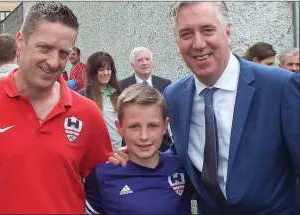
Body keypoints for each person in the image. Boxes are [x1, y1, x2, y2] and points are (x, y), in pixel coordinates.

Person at [109, 2, 299, 214]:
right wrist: (137, 154)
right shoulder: (174, 95)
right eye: (186, 34)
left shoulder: (280, 86)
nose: (198, 44)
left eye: (207, 30)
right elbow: (184, 151)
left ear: (227, 32)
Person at [0, 2, 113, 214]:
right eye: (44, 48)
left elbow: (105, 185)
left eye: (63, 53)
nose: (53, 62)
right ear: (21, 42)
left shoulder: (88, 113)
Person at [84, 84, 194, 214]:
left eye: (153, 126)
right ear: (119, 127)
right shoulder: (103, 175)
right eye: (134, 127)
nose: (144, 136)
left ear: (165, 126)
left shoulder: (182, 167)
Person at [121, 47, 173, 151]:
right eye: (140, 60)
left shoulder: (166, 84)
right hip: (134, 143)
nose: (144, 63)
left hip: (163, 142)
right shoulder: (122, 86)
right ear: (132, 65)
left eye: (147, 59)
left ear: (152, 62)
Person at [79, 51, 123, 152]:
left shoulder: (118, 93)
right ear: (93, 72)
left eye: (108, 69)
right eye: (101, 69)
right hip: (96, 154)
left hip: (120, 153)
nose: (106, 73)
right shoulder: (84, 95)